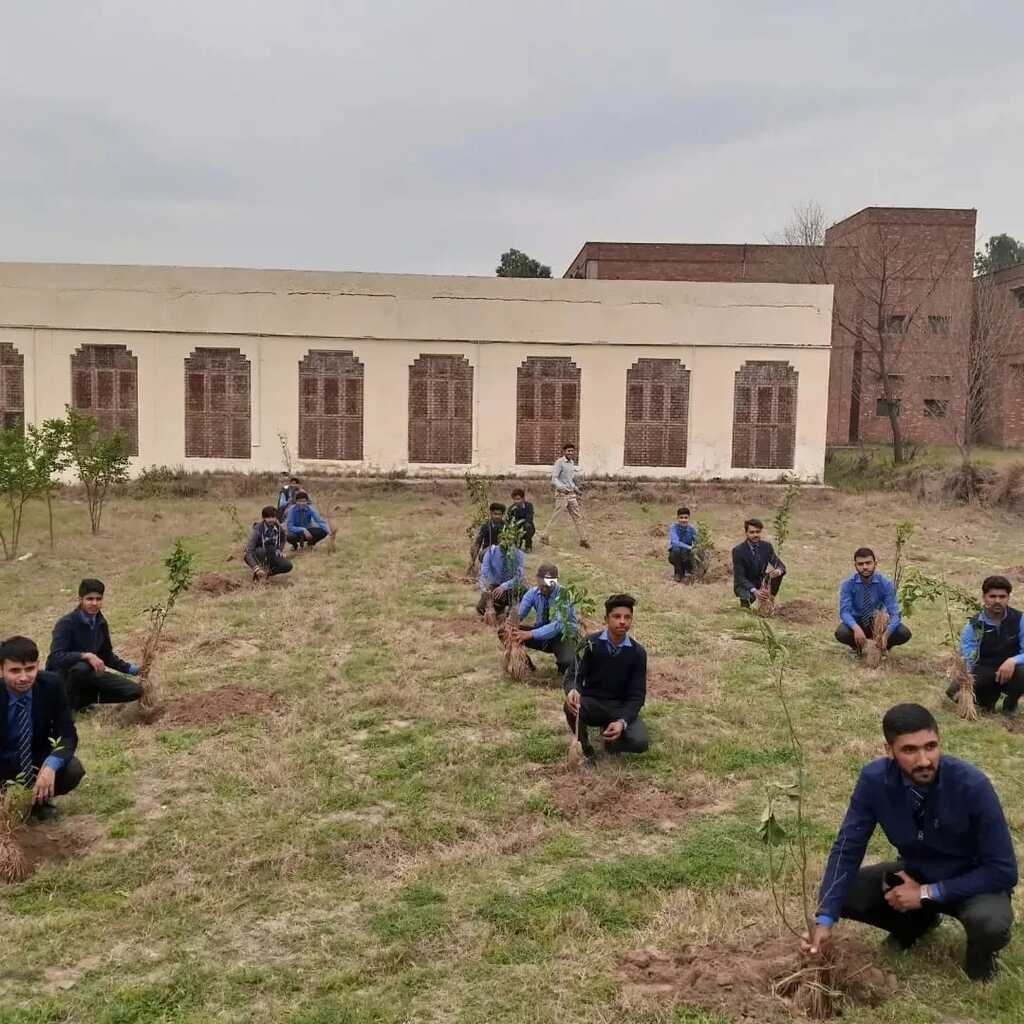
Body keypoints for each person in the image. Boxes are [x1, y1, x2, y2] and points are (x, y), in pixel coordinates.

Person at [805, 703, 1016, 982]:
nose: (924, 760)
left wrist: (927, 893)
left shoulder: (972, 786)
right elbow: (848, 848)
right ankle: (916, 925)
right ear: (888, 750)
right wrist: (825, 919)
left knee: (990, 924)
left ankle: (981, 955)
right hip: (914, 873)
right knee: (842, 891)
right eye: (909, 750)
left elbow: (1003, 871)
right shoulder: (874, 781)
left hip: (973, 883)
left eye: (931, 746)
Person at [1, 636, 84, 820]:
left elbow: (68, 735)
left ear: (38, 665)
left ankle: (39, 802)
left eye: (30, 669)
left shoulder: (51, 685)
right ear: (1, 670)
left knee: (72, 770)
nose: (24, 677)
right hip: (2, 759)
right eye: (15, 671)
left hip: (35, 756)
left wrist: (50, 766)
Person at [564, 594, 649, 758]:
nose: (622, 621)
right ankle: (585, 749)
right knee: (570, 706)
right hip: (592, 703)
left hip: (619, 708)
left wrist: (622, 722)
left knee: (640, 742)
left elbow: (637, 695)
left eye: (627, 617)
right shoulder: (589, 643)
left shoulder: (638, 653)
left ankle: (611, 740)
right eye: (617, 616)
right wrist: (572, 690)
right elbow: (573, 675)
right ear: (606, 618)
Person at [46, 579, 143, 712]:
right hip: (63, 677)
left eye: (98, 599)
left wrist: (131, 669)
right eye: (89, 599)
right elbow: (56, 657)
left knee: (134, 691)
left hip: (90, 674)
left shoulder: (101, 623)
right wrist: (85, 655)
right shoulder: (66, 623)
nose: (94, 603)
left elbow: (106, 655)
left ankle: (81, 701)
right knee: (82, 667)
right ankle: (64, 706)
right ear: (80, 599)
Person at [948, 575, 1024, 717]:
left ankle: (1010, 705)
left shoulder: (1020, 619)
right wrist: (966, 682)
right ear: (984, 597)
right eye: (992, 596)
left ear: (1008, 598)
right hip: (985, 671)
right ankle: (986, 701)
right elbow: (969, 659)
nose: (997, 601)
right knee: (955, 692)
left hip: (1013, 672)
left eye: (1002, 597)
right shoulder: (973, 626)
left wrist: (1013, 661)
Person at [835, 548, 912, 654]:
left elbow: (895, 614)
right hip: (858, 622)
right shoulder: (848, 584)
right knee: (841, 632)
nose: (865, 567)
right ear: (855, 565)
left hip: (878, 624)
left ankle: (883, 647)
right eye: (860, 564)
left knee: (903, 633)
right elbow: (844, 612)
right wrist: (856, 628)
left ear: (875, 563)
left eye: (868, 563)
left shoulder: (885, 584)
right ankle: (857, 647)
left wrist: (887, 634)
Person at [511, 563, 578, 677]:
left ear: (556, 581)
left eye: (548, 585)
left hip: (563, 636)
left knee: (566, 665)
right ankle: (526, 665)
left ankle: (568, 665)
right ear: (537, 580)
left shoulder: (564, 596)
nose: (544, 589)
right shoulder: (532, 593)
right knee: (506, 632)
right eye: (542, 585)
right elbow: (520, 614)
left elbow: (558, 626)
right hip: (541, 635)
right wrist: (512, 621)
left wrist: (531, 634)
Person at [540, 443, 590, 550]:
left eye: (572, 451)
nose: (570, 453)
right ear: (564, 452)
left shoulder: (571, 463)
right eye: (568, 451)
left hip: (571, 495)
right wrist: (562, 488)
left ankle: (583, 539)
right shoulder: (559, 463)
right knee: (556, 517)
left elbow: (570, 480)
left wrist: (576, 490)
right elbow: (554, 479)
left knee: (578, 517)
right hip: (562, 495)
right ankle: (544, 536)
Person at [731, 517, 786, 608]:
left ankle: (770, 600)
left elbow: (780, 565)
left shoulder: (767, 546)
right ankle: (745, 607)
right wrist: (755, 591)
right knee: (748, 598)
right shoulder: (738, 550)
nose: (755, 535)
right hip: (744, 583)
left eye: (758, 532)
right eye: (752, 532)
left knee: (781, 572)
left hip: (760, 580)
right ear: (746, 533)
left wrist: (778, 570)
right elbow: (740, 577)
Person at [477, 542, 526, 618]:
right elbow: (484, 576)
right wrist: (486, 593)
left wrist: (504, 586)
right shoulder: (491, 553)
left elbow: (519, 577)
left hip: (511, 587)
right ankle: (499, 610)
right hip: (495, 586)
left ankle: (512, 609)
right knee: (481, 608)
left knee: (523, 592)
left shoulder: (519, 554)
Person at [244, 506, 293, 582]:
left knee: (288, 566)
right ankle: (259, 572)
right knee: (261, 551)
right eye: (268, 517)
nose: (271, 520)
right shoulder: (257, 530)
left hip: (272, 554)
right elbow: (248, 552)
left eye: (273, 517)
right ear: (263, 518)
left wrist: (279, 550)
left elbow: (283, 539)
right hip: (260, 555)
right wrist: (255, 568)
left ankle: (267, 573)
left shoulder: (279, 528)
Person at [668, 507, 698, 582]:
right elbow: (675, 542)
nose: (683, 520)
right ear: (677, 518)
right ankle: (678, 573)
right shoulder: (674, 527)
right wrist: (689, 547)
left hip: (687, 556)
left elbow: (698, 542)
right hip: (676, 555)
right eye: (681, 518)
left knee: (691, 552)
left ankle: (688, 572)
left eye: (686, 517)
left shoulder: (692, 529)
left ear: (689, 518)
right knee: (676, 549)